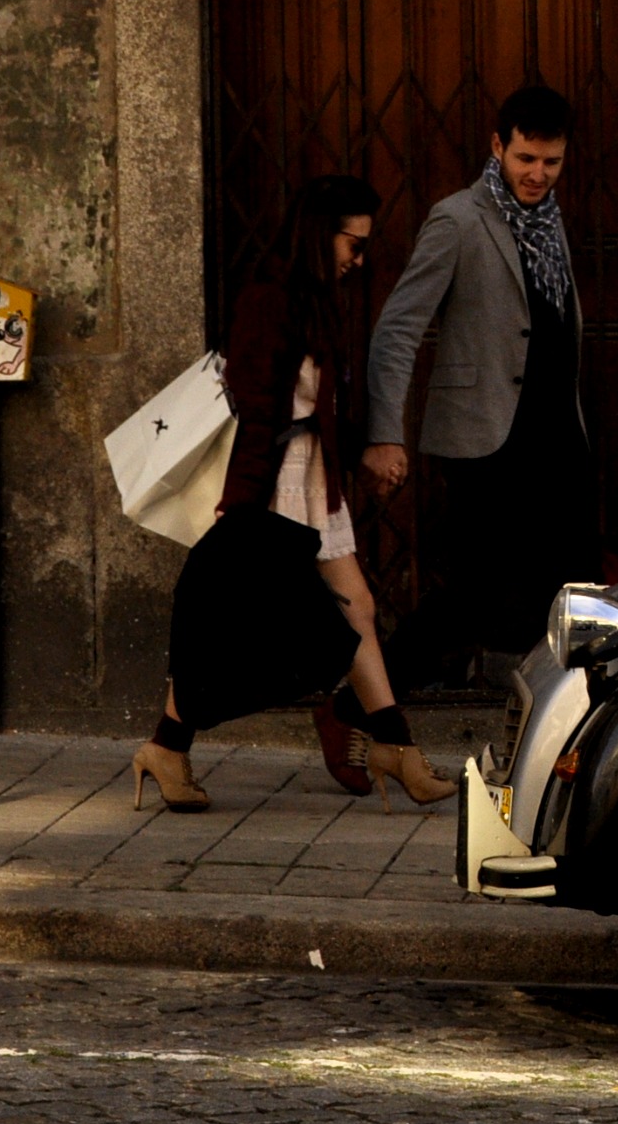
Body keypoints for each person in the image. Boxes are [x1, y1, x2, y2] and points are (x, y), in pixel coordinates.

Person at [131, 175, 455, 814]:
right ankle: (166, 746)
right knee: (234, 623)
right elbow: (256, 411)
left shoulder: (312, 298)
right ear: (318, 234)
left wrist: (358, 454)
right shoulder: (269, 299)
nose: (358, 259)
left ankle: (396, 747)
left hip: (310, 475)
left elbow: (320, 409)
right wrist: (242, 509)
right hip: (272, 480)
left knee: (357, 607)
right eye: (353, 244)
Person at [364, 86, 602, 693]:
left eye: (551, 161)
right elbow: (398, 328)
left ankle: (561, 718)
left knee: (575, 593)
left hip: (558, 439)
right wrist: (385, 433)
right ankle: (364, 704)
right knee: (474, 594)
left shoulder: (551, 222)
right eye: (526, 159)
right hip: (486, 439)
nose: (538, 174)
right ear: (498, 146)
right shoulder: (458, 219)